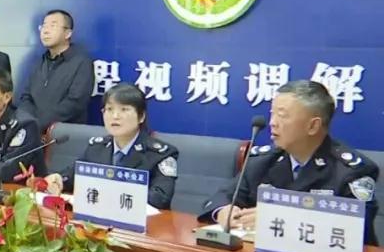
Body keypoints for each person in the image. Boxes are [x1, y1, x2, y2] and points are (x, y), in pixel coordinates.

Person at [200, 80, 379, 236]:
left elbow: (357, 226)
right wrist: (223, 211)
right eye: (272, 113)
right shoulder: (262, 161)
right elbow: (223, 196)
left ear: (313, 126)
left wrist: (280, 218)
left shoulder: (351, 171)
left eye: (282, 115)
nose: (272, 123)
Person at [43, 83, 178, 210]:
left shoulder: (160, 154)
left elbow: (160, 199)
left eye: (124, 109)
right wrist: (59, 179)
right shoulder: (97, 147)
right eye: (109, 109)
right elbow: (73, 175)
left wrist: (109, 193)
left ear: (141, 116)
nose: (115, 116)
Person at [18, 9, 94, 131]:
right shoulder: (40, 62)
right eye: (44, 26)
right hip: (33, 133)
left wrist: (39, 123)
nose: (45, 31)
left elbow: (75, 103)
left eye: (53, 26)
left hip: (64, 134)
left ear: (67, 33)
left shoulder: (82, 62)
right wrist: (28, 122)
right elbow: (27, 97)